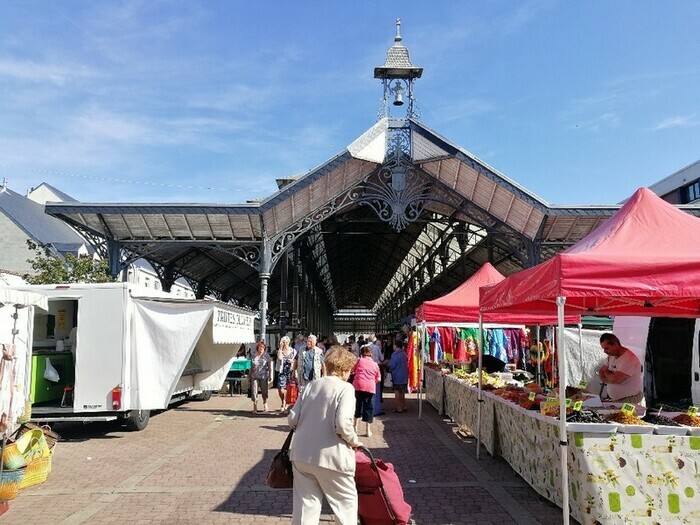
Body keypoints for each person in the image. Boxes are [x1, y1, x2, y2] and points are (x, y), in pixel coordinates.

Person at [288, 347, 362, 525]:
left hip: (301, 453)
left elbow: (292, 418)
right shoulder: (346, 389)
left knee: (306, 506)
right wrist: (354, 441)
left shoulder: (310, 386)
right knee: (346, 503)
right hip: (331, 455)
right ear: (344, 369)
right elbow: (343, 424)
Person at [598, 332, 645, 405]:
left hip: (629, 399)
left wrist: (607, 374)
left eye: (607, 348)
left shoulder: (628, 359)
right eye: (603, 349)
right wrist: (609, 378)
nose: (605, 351)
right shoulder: (611, 356)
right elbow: (601, 372)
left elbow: (615, 379)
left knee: (625, 417)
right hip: (618, 400)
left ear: (615, 344)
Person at [352, 346, 380, 437]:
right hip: (370, 387)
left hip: (358, 385)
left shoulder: (359, 361)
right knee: (369, 407)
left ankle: (355, 427)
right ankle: (368, 430)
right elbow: (378, 378)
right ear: (371, 354)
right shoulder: (375, 364)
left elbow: (353, 370)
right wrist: (373, 381)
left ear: (361, 353)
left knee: (357, 405)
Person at [276, 335, 296, 413]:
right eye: (283, 342)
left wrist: (292, 361)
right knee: (281, 388)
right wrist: (280, 348)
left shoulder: (293, 351)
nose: (285, 344)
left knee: (289, 388)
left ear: (289, 342)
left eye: (286, 342)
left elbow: (296, 360)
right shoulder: (280, 350)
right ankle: (283, 401)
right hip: (282, 371)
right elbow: (280, 358)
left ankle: (286, 404)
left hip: (290, 371)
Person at [250, 340, 271, 413]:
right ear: (257, 347)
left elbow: (269, 366)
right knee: (254, 391)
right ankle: (255, 405)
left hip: (264, 376)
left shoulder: (267, 356)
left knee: (264, 391)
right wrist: (249, 376)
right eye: (260, 347)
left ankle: (265, 403)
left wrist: (270, 375)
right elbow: (251, 366)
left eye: (263, 347)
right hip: (254, 375)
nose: (261, 348)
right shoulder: (254, 355)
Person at [388, 339, 408, 413]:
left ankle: (399, 408)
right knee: (403, 392)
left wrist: (388, 366)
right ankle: (404, 406)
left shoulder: (395, 354)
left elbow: (392, 365)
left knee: (397, 392)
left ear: (396, 346)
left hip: (397, 376)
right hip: (404, 375)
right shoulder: (404, 354)